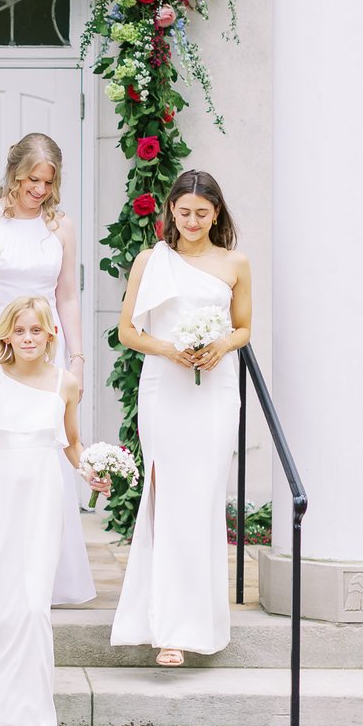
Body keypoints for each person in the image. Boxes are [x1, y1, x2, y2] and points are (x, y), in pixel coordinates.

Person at [0, 133, 94, 610]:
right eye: (32, 180)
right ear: (13, 174)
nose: (40, 190)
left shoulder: (60, 226)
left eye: (48, 182)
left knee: (41, 445)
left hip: (43, 342)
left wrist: (77, 358)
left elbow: (66, 294)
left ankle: (43, 575)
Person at [0, 297, 109, 726]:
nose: (28, 339)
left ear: (50, 336)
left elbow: (72, 444)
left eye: (36, 331)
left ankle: (36, 719)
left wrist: (90, 472)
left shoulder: (66, 384)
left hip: (42, 498)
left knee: (34, 604)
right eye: (20, 331)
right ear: (6, 337)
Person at [110, 170, 252, 665]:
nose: (191, 221)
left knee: (203, 495)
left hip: (215, 388)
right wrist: (170, 349)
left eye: (202, 212)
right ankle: (166, 627)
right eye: (183, 211)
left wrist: (219, 345)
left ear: (216, 213)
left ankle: (199, 622)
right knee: (168, 495)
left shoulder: (234, 263)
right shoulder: (150, 260)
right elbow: (128, 331)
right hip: (164, 386)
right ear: (170, 210)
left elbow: (244, 328)